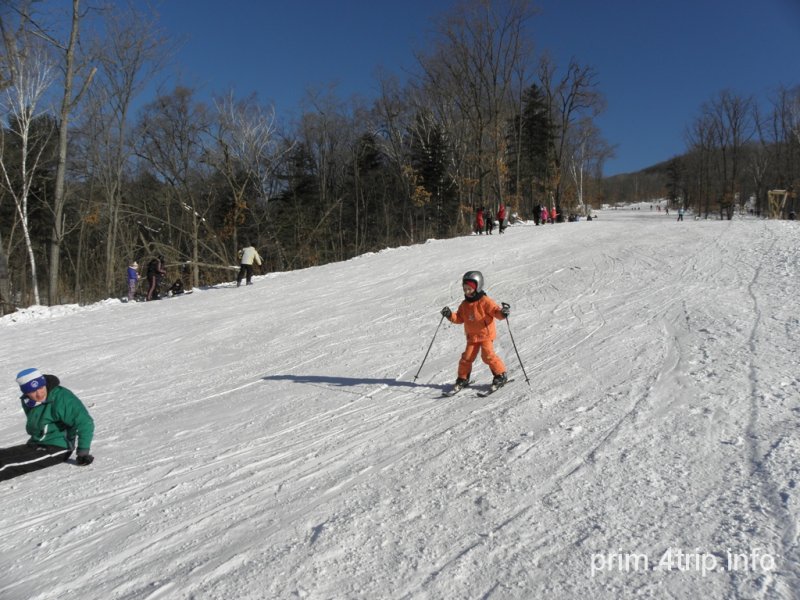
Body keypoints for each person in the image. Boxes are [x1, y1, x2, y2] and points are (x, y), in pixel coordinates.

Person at [0, 369, 95, 481]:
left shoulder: (62, 398)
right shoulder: (27, 401)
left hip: (58, 447)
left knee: (5, 465)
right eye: (33, 391)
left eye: (41, 388)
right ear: (25, 392)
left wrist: (83, 453)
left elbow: (85, 422)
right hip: (35, 443)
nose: (39, 394)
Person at [440, 271, 510, 393]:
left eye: (469, 289)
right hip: (472, 337)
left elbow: (495, 311)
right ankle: (463, 378)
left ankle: (500, 375)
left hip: (485, 335)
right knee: (466, 358)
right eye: (465, 289)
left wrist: (502, 313)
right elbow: (459, 318)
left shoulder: (485, 301)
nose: (467, 291)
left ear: (478, 287)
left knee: (487, 356)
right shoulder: (464, 305)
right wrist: (450, 315)